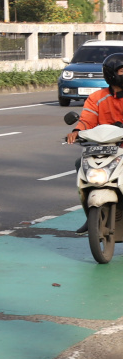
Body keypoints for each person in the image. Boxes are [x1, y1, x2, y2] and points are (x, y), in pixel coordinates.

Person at [65, 54, 123, 233]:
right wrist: (76, 132)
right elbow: (86, 120)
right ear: (111, 74)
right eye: (122, 71)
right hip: (106, 149)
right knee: (79, 164)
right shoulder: (97, 97)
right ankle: (90, 214)